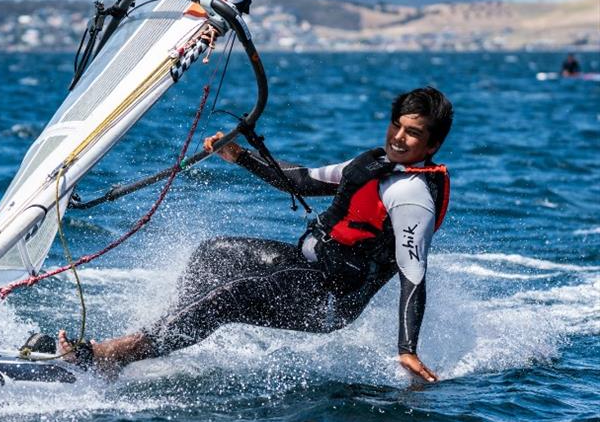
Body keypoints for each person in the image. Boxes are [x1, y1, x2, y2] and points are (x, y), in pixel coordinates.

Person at [55, 87, 453, 383]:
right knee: (214, 254)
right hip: (308, 267)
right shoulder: (374, 162)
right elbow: (302, 179)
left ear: (432, 144)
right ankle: (152, 339)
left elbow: (413, 274)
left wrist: (407, 350)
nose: (398, 137)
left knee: (232, 296)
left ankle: (114, 355)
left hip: (332, 299)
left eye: (413, 133)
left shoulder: (413, 194)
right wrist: (242, 157)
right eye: (396, 126)